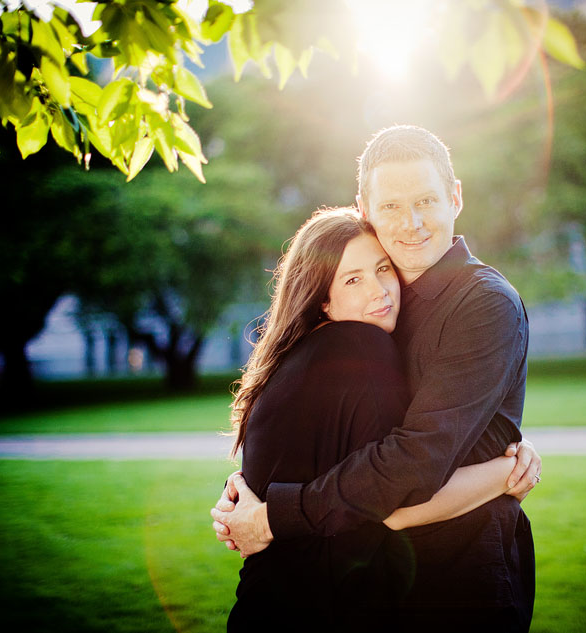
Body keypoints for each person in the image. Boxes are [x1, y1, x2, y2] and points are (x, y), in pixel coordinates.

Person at [213, 126, 541, 632]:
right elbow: (327, 438)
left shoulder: (482, 303)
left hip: (462, 581)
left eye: (427, 200)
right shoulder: (367, 320)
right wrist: (248, 493)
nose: (411, 224)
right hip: (377, 591)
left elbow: (410, 470)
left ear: (455, 198)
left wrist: (275, 514)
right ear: (364, 209)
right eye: (390, 207)